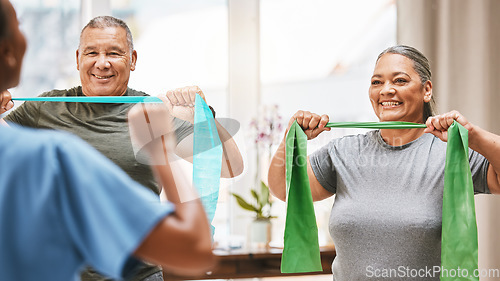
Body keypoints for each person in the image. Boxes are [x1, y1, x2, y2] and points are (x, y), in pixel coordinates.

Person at [1, 15, 242, 281]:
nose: (102, 63)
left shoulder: (152, 112)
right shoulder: (44, 108)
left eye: (114, 53)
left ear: (133, 59)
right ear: (78, 58)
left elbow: (230, 166)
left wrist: (205, 115)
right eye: (92, 52)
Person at [268, 45, 500, 280]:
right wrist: (290, 137)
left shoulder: (452, 155)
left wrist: (474, 136)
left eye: (399, 81)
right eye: (377, 82)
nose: (386, 90)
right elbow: (281, 187)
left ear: (426, 90)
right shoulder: (344, 152)